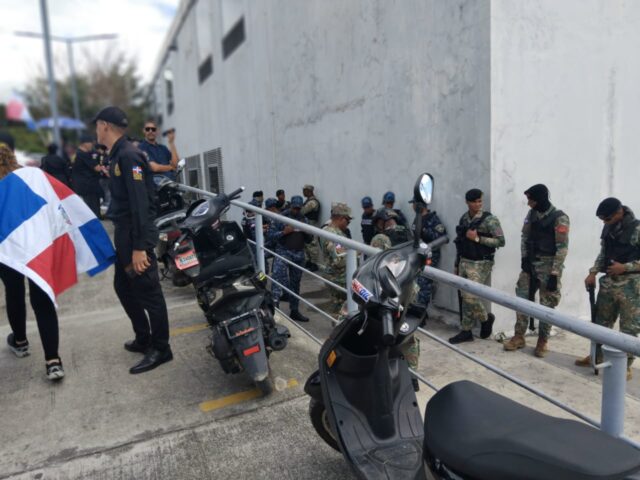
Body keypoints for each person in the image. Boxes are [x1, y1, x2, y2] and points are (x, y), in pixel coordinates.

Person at [93, 106, 172, 374]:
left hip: (135, 234)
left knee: (149, 292)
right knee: (124, 287)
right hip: (125, 233)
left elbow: (140, 203)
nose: (96, 130)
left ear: (105, 125)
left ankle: (161, 348)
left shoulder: (128, 156)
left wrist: (140, 247)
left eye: (97, 125)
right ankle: (144, 338)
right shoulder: (118, 155)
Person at [0, 136, 65, 381]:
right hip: (37, 246)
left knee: (14, 292)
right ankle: (53, 361)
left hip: (7, 252)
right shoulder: (32, 175)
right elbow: (51, 206)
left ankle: (20, 341)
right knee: (42, 298)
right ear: (13, 150)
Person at [575, 197, 638, 381]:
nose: (604, 222)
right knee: (601, 323)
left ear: (619, 212)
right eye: (602, 219)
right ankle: (597, 356)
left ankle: (625, 365)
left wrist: (625, 267)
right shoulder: (608, 227)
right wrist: (593, 272)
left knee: (629, 327)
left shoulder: (637, 229)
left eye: (607, 218)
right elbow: (603, 253)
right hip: (609, 283)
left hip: (632, 286)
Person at [504, 184, 570, 357]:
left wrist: (555, 274)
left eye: (531, 200)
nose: (529, 203)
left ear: (540, 199)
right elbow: (525, 237)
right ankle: (519, 336)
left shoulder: (560, 218)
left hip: (549, 266)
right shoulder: (532, 214)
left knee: (547, 305)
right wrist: (524, 259)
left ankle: (542, 341)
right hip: (531, 264)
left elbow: (562, 248)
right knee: (522, 299)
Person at [449, 188, 505, 344]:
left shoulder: (490, 220)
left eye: (480, 201)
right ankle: (466, 331)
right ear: (467, 202)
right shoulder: (464, 218)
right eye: (474, 202)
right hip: (464, 261)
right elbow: (460, 242)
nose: (478, 204)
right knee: (464, 297)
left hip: (481, 262)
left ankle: (486, 319)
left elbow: (501, 241)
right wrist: (456, 263)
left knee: (470, 296)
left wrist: (478, 239)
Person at [268, 195, 312, 322]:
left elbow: (310, 240)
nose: (296, 210)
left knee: (295, 283)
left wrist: (306, 232)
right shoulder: (281, 218)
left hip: (298, 254)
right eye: (294, 208)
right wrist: (284, 232)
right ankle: (274, 309)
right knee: (277, 279)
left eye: (298, 208)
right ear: (290, 206)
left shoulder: (304, 219)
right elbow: (270, 236)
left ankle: (294, 310)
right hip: (283, 252)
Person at [410, 199, 447, 314]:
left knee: (424, 283)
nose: (412, 206)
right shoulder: (417, 218)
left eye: (414, 204)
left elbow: (441, 236)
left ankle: (421, 312)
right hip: (418, 255)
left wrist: (424, 230)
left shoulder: (433, 219)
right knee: (416, 283)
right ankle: (417, 309)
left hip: (430, 256)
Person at [319, 203, 352, 318]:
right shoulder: (333, 234)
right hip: (338, 277)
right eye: (348, 221)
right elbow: (340, 260)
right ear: (341, 218)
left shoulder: (327, 229)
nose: (348, 224)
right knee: (342, 310)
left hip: (335, 276)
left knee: (338, 308)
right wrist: (355, 253)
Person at [137, 120, 179, 184]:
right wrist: (171, 167)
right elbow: (154, 168)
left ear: (157, 131)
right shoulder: (141, 147)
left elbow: (176, 164)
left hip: (171, 184)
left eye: (153, 129)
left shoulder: (163, 148)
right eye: (148, 129)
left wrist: (171, 142)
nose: (150, 131)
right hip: (155, 187)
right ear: (144, 131)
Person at [72, 134, 103, 217]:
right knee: (92, 207)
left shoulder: (79, 153)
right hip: (87, 185)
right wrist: (104, 168)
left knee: (93, 205)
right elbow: (97, 168)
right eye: (90, 142)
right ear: (84, 143)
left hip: (86, 184)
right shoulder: (82, 154)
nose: (92, 144)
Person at [302, 184, 321, 271]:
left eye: (305, 190)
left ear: (309, 191)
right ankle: (309, 261)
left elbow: (302, 211)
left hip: (311, 225)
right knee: (307, 245)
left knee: (312, 245)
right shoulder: (308, 201)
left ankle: (314, 263)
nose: (303, 192)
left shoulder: (312, 202)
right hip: (307, 225)